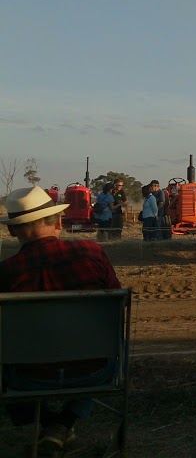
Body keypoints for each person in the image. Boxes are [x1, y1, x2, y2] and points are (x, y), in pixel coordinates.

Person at [0, 186, 122, 455]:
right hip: (94, 371)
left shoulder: (5, 273)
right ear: (58, 221)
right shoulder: (93, 254)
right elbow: (116, 307)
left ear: (11, 231)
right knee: (97, 345)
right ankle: (64, 423)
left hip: (28, 377)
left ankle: (49, 422)